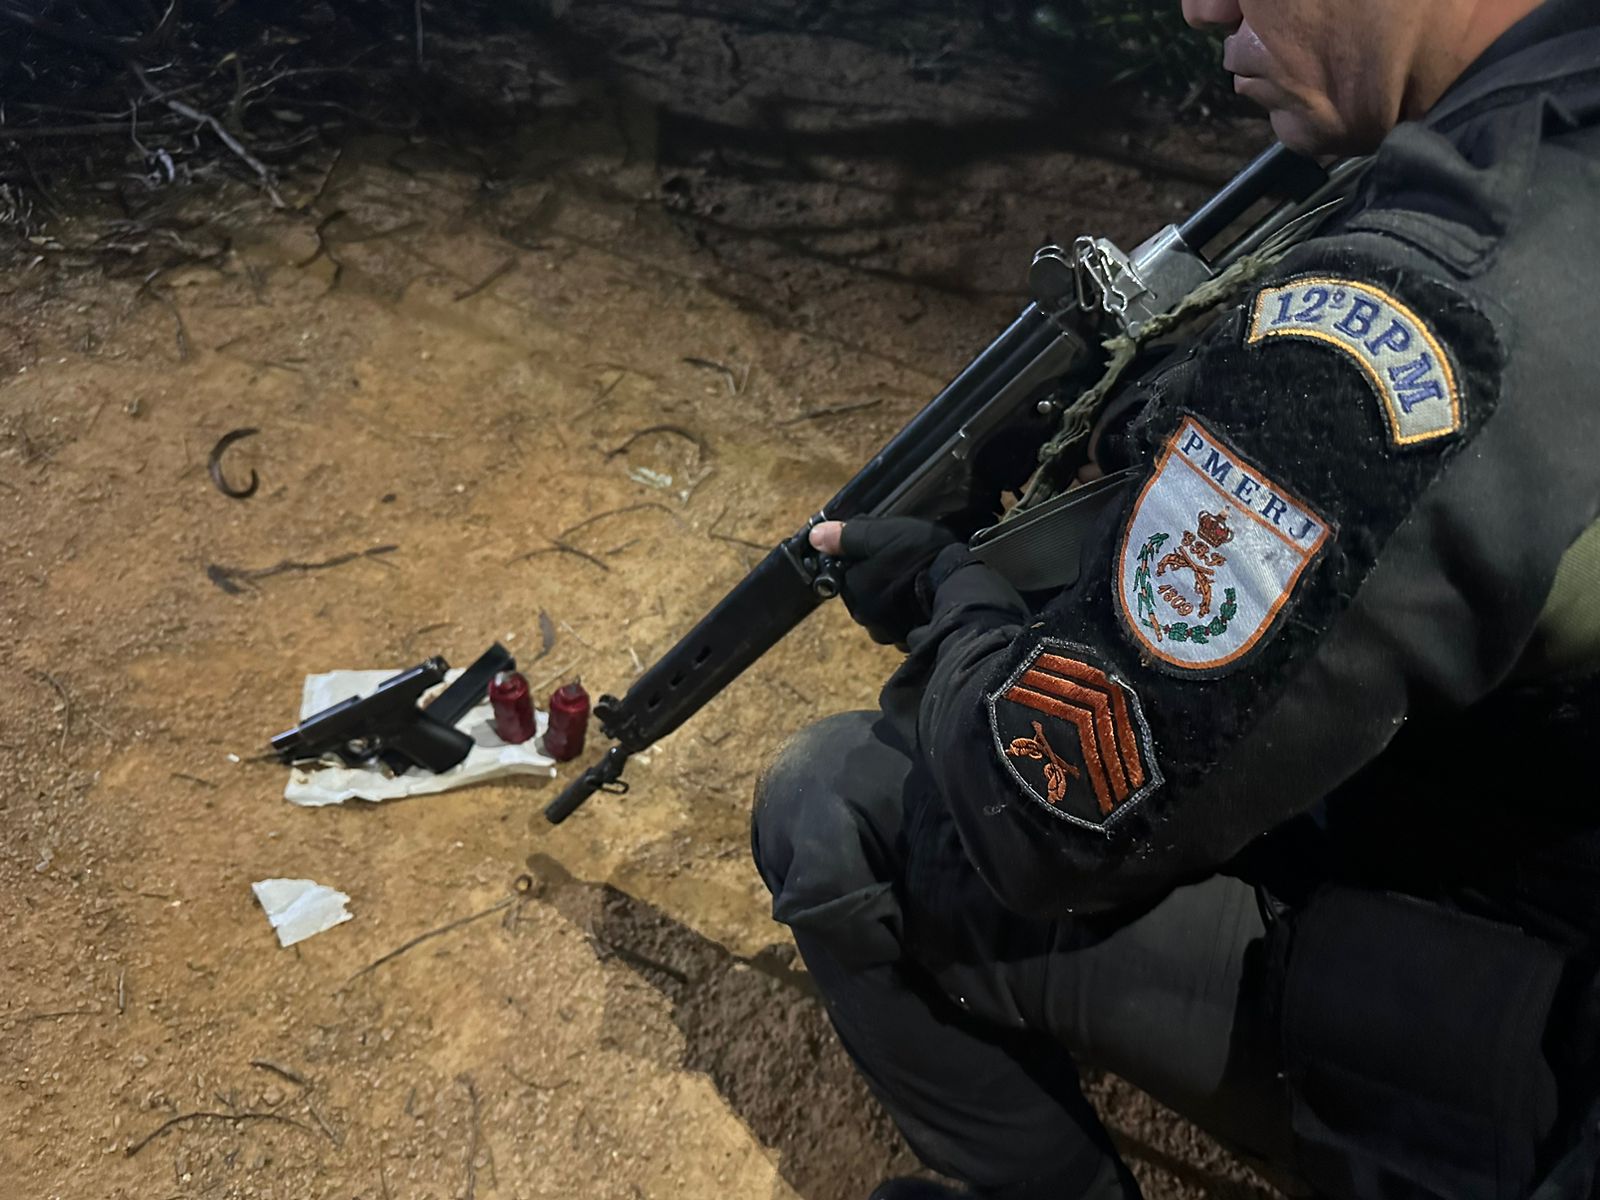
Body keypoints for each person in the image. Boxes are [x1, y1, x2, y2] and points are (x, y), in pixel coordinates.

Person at [750, 2, 1600, 1198]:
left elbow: (1039, 812)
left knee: (842, 804)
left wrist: (955, 597)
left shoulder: (1438, 302)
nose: (1204, 5)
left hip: (1536, 1043)